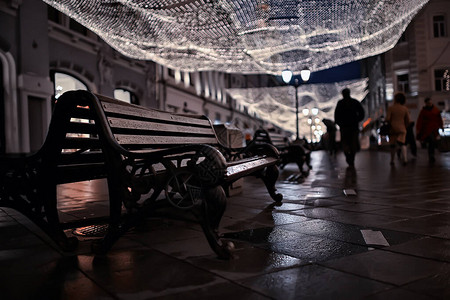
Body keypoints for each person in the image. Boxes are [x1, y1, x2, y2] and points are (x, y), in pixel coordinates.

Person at [334, 88, 365, 167]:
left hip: (344, 127)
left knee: (345, 143)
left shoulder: (340, 103)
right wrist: (357, 120)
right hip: (353, 126)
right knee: (352, 143)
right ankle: (351, 158)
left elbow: (336, 116)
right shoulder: (354, 102)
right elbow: (362, 113)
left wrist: (340, 123)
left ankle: (349, 157)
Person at [416, 97, 444, 163]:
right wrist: (418, 129)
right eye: (428, 103)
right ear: (426, 103)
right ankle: (431, 155)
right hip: (427, 130)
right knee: (431, 141)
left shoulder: (435, 110)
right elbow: (420, 121)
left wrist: (441, 126)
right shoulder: (423, 111)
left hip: (434, 129)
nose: (430, 104)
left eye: (430, 103)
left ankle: (431, 155)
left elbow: (439, 119)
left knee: (432, 142)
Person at [386, 92, 410, 165]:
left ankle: (392, 160)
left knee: (392, 145)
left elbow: (387, 119)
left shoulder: (391, 108)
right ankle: (405, 159)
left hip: (392, 129)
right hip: (402, 128)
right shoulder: (404, 108)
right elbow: (408, 120)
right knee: (402, 143)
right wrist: (405, 126)